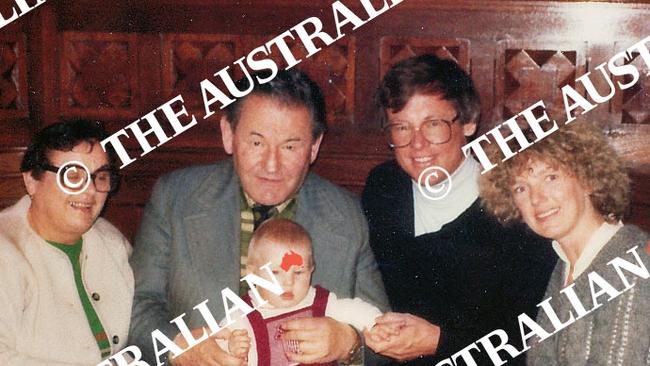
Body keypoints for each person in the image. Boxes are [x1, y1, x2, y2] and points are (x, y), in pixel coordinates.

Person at [129, 69, 389, 365]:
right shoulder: (175, 197)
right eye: (256, 143)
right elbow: (137, 309)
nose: (271, 164)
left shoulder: (345, 214)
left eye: (290, 146)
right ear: (228, 134)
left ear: (314, 147)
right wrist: (181, 348)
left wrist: (349, 343)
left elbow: (385, 340)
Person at [361, 54, 557, 365]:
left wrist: (440, 342)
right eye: (402, 127)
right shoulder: (384, 189)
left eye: (434, 124)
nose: (417, 144)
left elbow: (533, 339)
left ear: (469, 122)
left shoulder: (514, 207)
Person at [480, 121, 650, 365]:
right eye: (521, 188)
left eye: (551, 177)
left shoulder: (632, 262)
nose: (537, 199)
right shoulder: (565, 264)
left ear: (588, 179)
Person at [0, 120, 134, 365]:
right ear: (32, 180)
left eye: (101, 177)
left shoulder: (112, 243)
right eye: (72, 175)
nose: (89, 190)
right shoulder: (5, 250)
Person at [216, 218, 385, 366]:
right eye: (275, 273)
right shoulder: (240, 315)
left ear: (311, 269)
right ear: (252, 273)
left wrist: (376, 325)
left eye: (298, 272)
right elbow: (215, 345)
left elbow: (357, 310)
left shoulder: (322, 302)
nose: (288, 282)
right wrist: (231, 348)